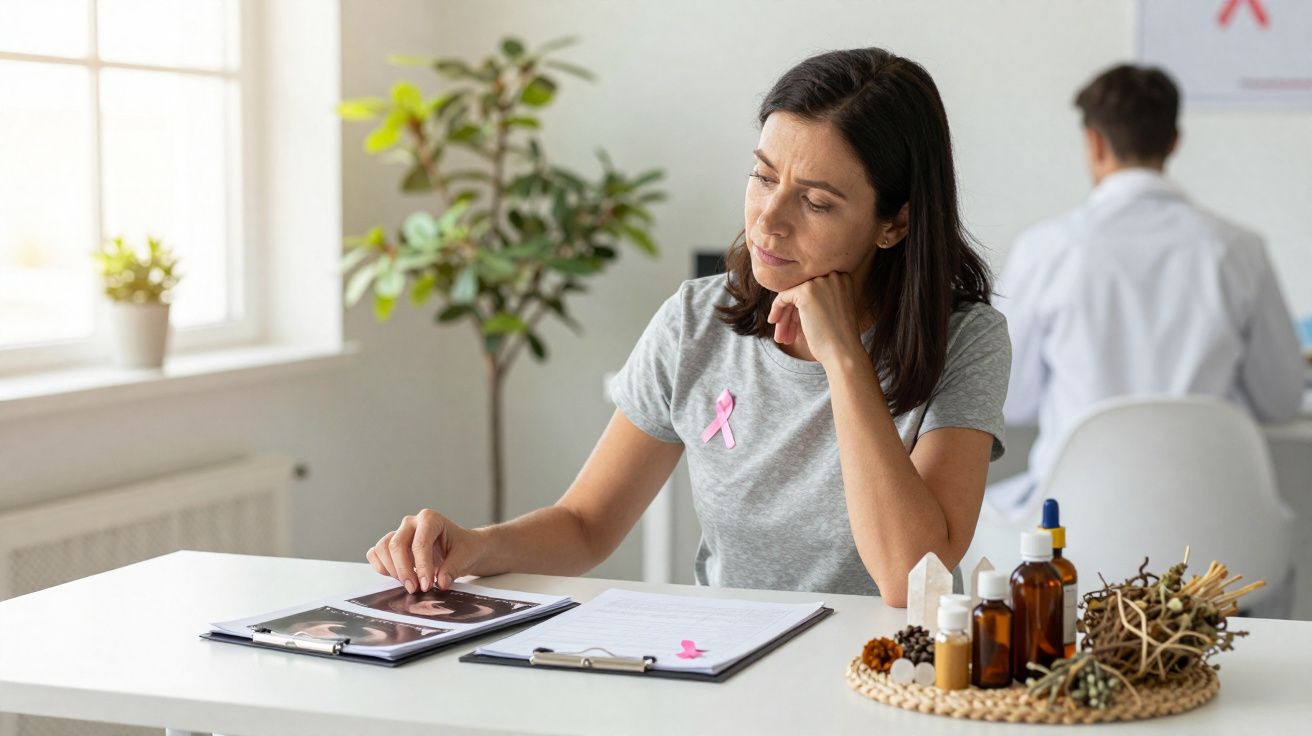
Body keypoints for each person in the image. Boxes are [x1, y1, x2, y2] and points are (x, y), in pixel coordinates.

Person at [367, 48, 1011, 606]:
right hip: (725, 663)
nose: (768, 221)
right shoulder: (696, 320)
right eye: (762, 177)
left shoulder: (967, 341)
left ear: (894, 223)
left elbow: (911, 579)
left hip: (887, 679)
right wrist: (475, 547)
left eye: (816, 202)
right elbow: (587, 524)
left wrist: (845, 360)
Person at [987, 64, 1305, 520]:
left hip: (1078, 525)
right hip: (1215, 534)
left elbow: (1010, 400)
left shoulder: (1048, 249)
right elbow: (1280, 401)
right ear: (1175, 140)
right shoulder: (1239, 250)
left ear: (1094, 142)